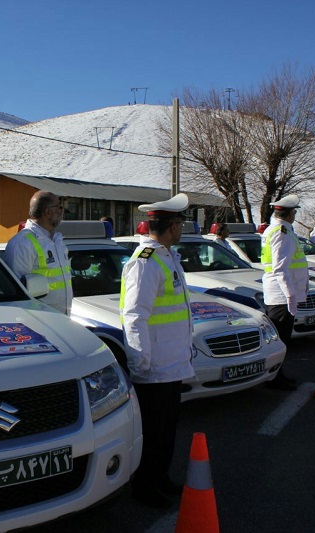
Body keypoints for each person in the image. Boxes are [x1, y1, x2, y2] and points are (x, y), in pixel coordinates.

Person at [119, 192, 194, 508]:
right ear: (171, 226)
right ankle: (145, 486)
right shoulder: (145, 263)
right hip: (154, 366)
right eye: (180, 222)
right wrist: (140, 363)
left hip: (171, 363)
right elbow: (134, 316)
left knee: (166, 430)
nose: (182, 228)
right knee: (152, 432)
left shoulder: (165, 257)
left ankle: (160, 477)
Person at [261, 194, 308, 391]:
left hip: (279, 291)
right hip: (281, 294)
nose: (295, 215)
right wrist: (290, 295)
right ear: (288, 214)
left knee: (281, 337)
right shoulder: (282, 233)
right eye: (294, 212)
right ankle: (274, 378)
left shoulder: (277, 230)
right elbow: (280, 268)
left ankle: (277, 375)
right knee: (281, 339)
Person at [4, 191, 73, 314]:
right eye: (59, 207)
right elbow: (17, 292)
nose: (62, 211)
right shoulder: (23, 242)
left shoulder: (56, 241)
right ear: (47, 212)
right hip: (39, 320)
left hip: (61, 318)